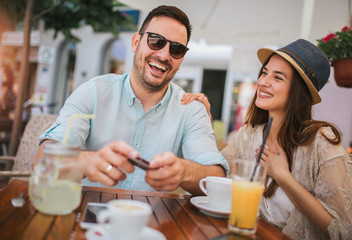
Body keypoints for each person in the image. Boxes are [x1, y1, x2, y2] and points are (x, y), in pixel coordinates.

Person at [36, 5, 228, 195]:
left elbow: (216, 179)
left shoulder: (191, 109)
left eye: (176, 49)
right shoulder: (93, 92)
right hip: (86, 216)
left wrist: (184, 171)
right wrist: (85, 162)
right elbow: (42, 160)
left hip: (156, 223)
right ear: (136, 42)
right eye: (156, 41)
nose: (164, 55)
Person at [182, 39, 352, 239]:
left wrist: (283, 176)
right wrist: (203, 123)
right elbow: (214, 172)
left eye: (278, 77)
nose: (263, 81)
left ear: (298, 90)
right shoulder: (249, 135)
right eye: (264, 73)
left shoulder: (320, 143)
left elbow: (348, 232)